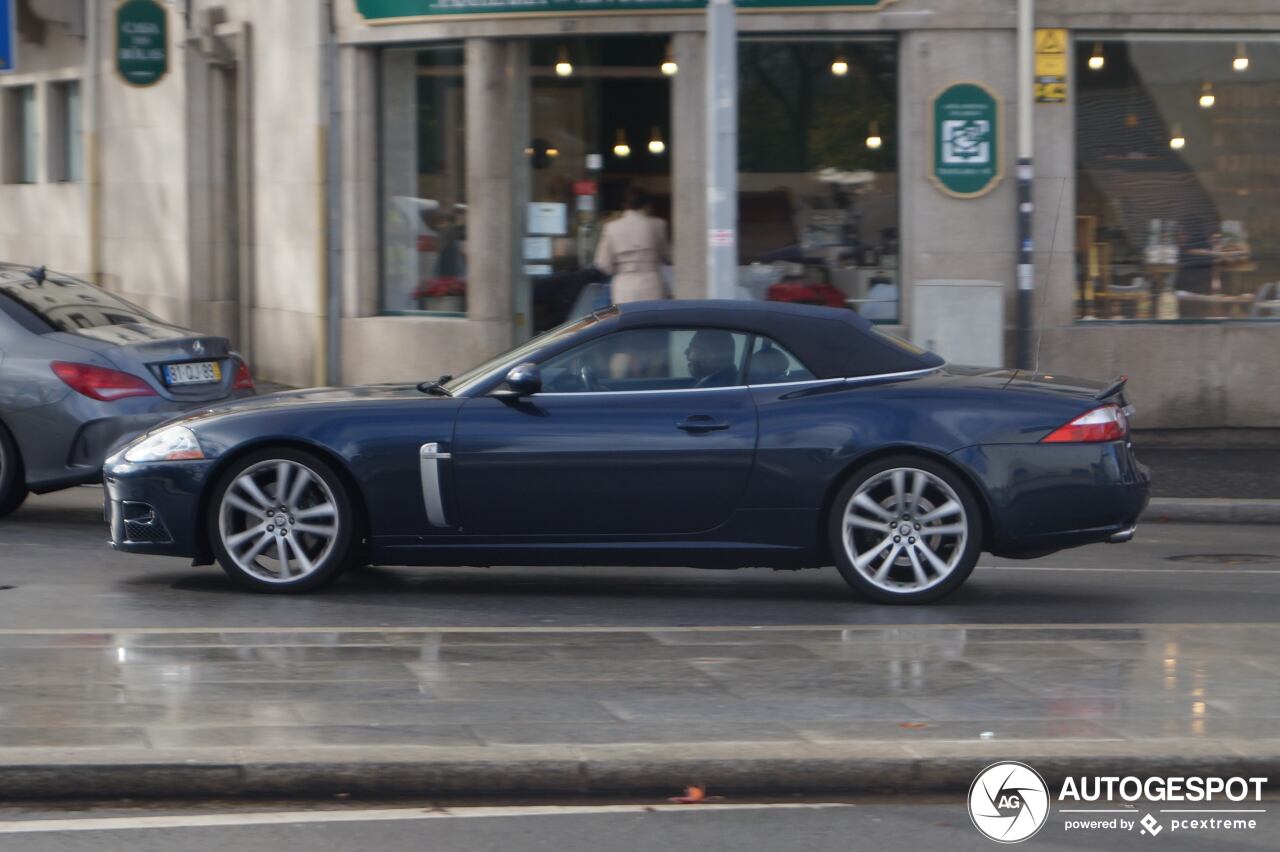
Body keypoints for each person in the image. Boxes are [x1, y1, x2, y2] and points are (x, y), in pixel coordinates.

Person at [593, 188, 671, 303]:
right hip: (653, 284)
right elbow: (668, 256)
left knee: (627, 319)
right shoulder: (658, 225)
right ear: (647, 205)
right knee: (653, 320)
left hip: (623, 286)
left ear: (625, 205)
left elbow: (602, 263)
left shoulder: (611, 228)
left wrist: (619, 270)